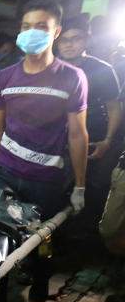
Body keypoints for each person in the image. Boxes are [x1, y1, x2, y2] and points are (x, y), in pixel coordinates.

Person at [0, 0, 88, 302]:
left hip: (47, 179)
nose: (31, 33)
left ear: (56, 32)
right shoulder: (6, 76)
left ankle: (40, 282)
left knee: (41, 245)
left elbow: (78, 133)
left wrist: (79, 185)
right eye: (26, 26)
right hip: (6, 172)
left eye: (41, 27)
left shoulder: (72, 78)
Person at [55, 13, 121, 229]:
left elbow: (114, 107)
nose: (69, 45)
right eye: (64, 39)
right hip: (57, 141)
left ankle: (84, 236)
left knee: (92, 187)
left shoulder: (102, 69)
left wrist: (108, 140)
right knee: (58, 189)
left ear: (87, 41)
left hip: (93, 140)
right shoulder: (50, 69)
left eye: (76, 39)